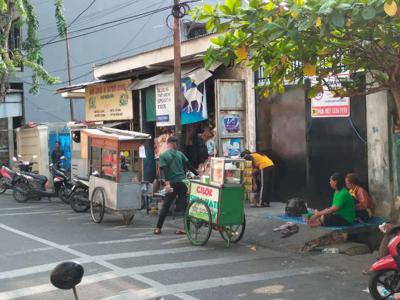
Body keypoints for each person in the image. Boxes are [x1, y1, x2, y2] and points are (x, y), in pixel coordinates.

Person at [154, 136, 199, 235]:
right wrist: (198, 174)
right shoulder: (180, 154)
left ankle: (158, 228)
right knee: (184, 206)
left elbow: (165, 170)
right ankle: (185, 229)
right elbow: (189, 166)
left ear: (168, 143)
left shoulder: (163, 155)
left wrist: (167, 184)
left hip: (173, 183)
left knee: (166, 205)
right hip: (183, 182)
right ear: (175, 144)